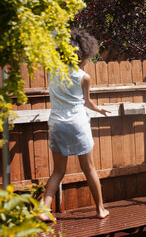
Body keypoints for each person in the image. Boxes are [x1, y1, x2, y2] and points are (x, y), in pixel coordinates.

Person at [39, 29, 109, 221]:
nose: (88, 60)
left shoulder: (52, 71)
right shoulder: (83, 77)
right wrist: (99, 109)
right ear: (80, 56)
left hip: (57, 125)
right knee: (89, 169)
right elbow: (87, 102)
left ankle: (43, 211)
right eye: (86, 57)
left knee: (58, 171)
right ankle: (100, 209)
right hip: (78, 124)